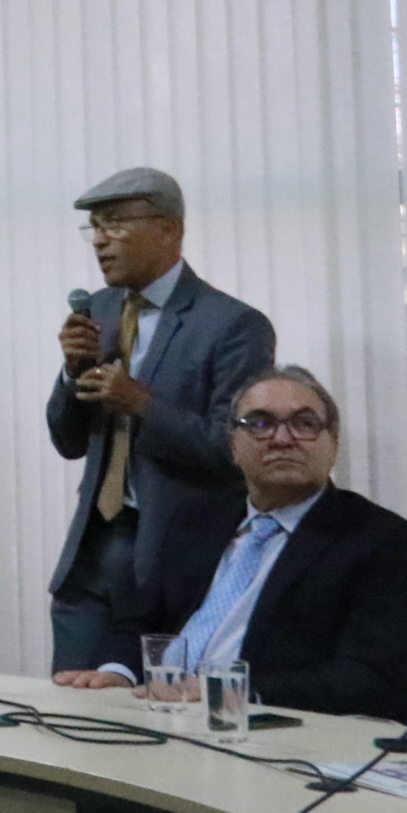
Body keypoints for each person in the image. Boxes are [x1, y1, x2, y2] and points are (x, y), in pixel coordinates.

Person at [53, 367, 407, 721]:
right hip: (159, 715)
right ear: (234, 446)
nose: (282, 439)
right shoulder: (197, 521)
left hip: (266, 733)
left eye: (305, 424)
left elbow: (373, 679)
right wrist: (116, 673)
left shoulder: (383, 542)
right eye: (260, 424)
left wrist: (228, 691)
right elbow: (140, 622)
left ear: (333, 443)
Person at [45, 167, 276, 673]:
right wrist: (71, 373)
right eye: (94, 228)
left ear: (169, 229)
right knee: (70, 705)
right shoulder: (99, 310)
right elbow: (68, 441)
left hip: (173, 563)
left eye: (114, 223)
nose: (99, 241)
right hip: (91, 552)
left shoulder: (233, 326)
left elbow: (235, 451)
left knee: (154, 711)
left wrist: (142, 404)